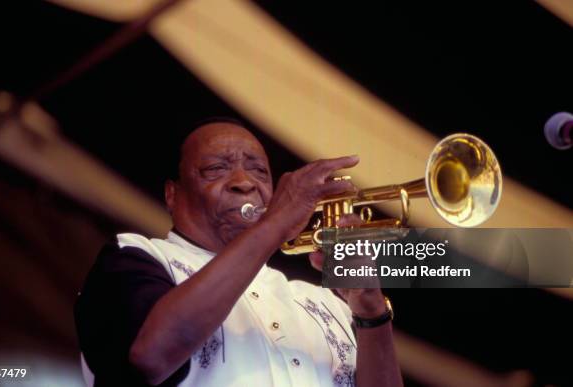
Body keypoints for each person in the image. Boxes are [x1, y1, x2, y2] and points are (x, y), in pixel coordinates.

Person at [74, 118, 403, 387]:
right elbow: (149, 356)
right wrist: (275, 224)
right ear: (172, 195)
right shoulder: (136, 256)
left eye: (260, 172)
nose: (244, 183)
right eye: (217, 168)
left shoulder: (323, 302)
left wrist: (370, 306)